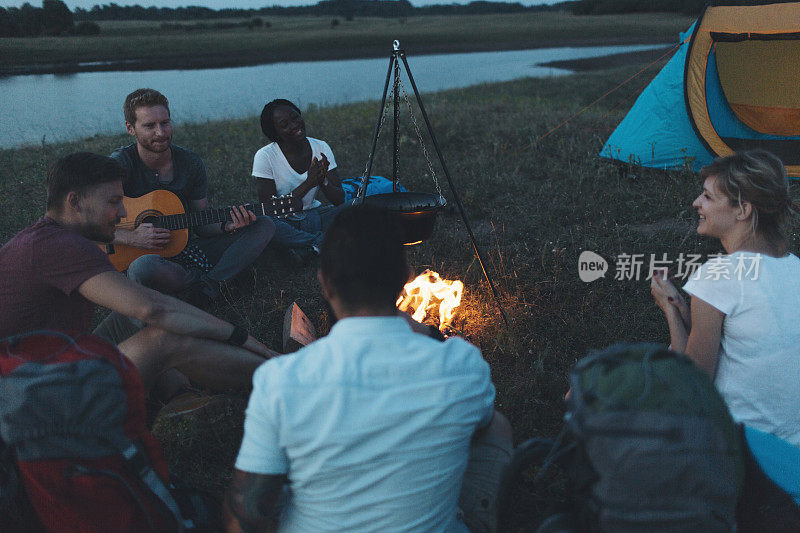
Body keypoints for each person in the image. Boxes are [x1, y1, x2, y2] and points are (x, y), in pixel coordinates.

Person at [223, 206, 513, 533]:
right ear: (405, 281)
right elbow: (481, 422)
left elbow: (243, 520)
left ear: (324, 282)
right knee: (496, 425)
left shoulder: (280, 380)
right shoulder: (461, 366)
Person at [0, 152, 277, 406]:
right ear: (75, 202)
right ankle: (284, 376)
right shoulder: (61, 246)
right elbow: (154, 309)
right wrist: (243, 338)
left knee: (130, 319)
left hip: (47, 372)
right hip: (35, 401)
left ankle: (179, 396)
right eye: (113, 202)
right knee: (164, 339)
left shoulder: (43, 237)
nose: (122, 213)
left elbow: (145, 306)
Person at [650, 149, 800, 503]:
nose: (696, 202)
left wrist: (671, 312)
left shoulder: (719, 275)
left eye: (708, 196)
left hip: (742, 452)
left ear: (743, 210)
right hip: (792, 453)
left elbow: (694, 384)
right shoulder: (795, 268)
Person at [112, 88, 275, 302]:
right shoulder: (119, 164)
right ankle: (216, 280)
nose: (160, 133)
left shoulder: (190, 163)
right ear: (130, 128)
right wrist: (132, 237)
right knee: (143, 268)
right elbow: (83, 225)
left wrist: (227, 226)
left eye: (165, 123)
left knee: (264, 225)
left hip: (186, 249)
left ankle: (207, 288)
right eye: (150, 126)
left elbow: (201, 223)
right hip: (141, 256)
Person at [252, 99, 345, 258]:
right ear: (275, 133)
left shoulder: (320, 147)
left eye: (295, 118)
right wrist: (309, 183)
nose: (295, 125)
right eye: (285, 124)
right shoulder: (265, 156)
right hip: (284, 224)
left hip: (315, 216)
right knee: (264, 224)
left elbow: (339, 200)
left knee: (355, 209)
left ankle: (307, 248)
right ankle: (321, 243)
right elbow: (268, 209)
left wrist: (322, 179)